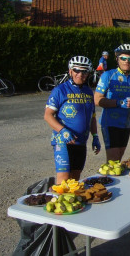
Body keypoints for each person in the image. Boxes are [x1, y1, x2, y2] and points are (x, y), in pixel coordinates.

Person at [44, 56, 101, 184]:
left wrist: (95, 136)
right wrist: (63, 130)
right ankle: (56, 202)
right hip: (63, 141)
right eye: (77, 70)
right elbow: (48, 115)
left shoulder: (88, 91)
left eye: (84, 71)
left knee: (74, 180)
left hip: (81, 142)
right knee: (63, 181)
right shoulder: (60, 90)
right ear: (70, 71)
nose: (80, 74)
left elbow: (92, 117)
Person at [94, 44, 130, 162]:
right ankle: (104, 180)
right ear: (117, 59)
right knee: (113, 161)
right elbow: (97, 99)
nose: (127, 61)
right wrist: (119, 103)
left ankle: (108, 179)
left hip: (126, 123)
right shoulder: (108, 75)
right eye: (123, 58)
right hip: (110, 122)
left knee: (118, 159)